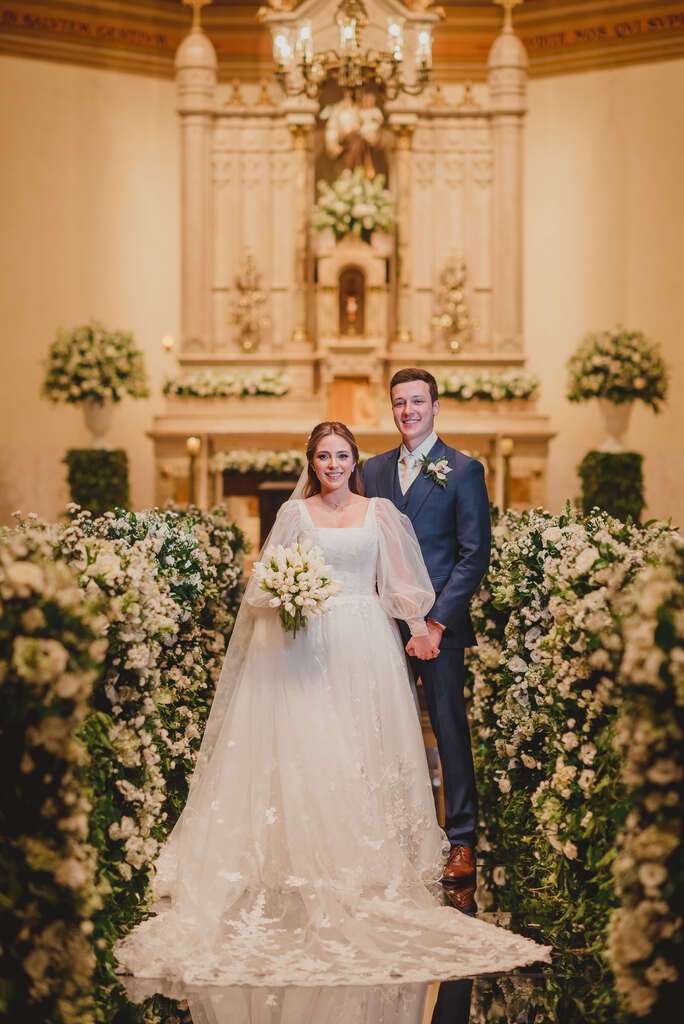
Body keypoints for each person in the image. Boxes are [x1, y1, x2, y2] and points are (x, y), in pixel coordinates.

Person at [115, 422, 548, 986]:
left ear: (354, 461)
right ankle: (300, 854)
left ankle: (360, 858)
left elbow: (397, 581)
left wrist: (422, 626)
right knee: (311, 747)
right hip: (307, 643)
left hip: (367, 641)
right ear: (312, 462)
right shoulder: (294, 516)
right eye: (324, 456)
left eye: (342, 455)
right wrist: (288, 593)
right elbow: (264, 584)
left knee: (360, 744)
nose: (333, 465)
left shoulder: (379, 513)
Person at [363, 369, 491, 886]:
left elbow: (474, 555)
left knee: (449, 731)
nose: (408, 410)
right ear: (391, 409)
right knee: (380, 730)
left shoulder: (462, 471)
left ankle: (461, 840)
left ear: (436, 406)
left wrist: (435, 623)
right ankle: (387, 836)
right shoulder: (371, 471)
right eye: (399, 403)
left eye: (418, 401)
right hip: (383, 628)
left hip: (440, 631)